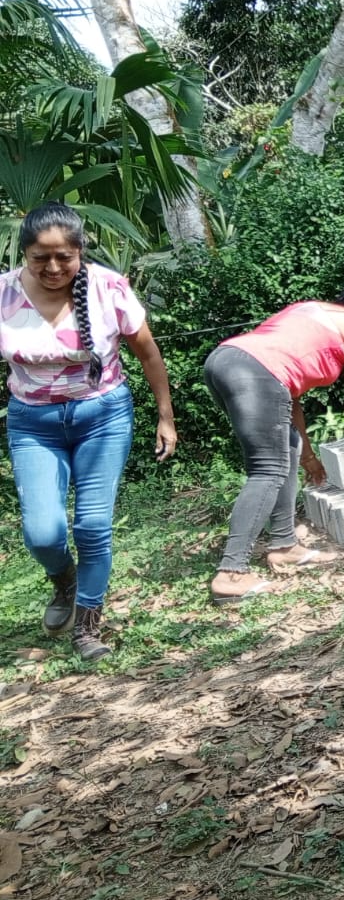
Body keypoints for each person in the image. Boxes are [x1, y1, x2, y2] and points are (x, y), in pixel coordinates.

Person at [1, 203, 177, 660]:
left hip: (102, 417)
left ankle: (87, 626)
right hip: (33, 424)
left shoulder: (107, 288)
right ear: (24, 254)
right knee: (42, 534)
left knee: (93, 525)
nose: (53, 267)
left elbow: (148, 353)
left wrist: (165, 415)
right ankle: (65, 580)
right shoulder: (3, 294)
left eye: (64, 256)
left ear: (80, 251)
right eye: (40, 258)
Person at [205, 284, 344, 604]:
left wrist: (306, 454)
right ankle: (231, 574)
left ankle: (284, 545)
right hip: (257, 373)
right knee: (267, 470)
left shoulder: (310, 310)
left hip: (224, 361)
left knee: (287, 446)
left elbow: (288, 399)